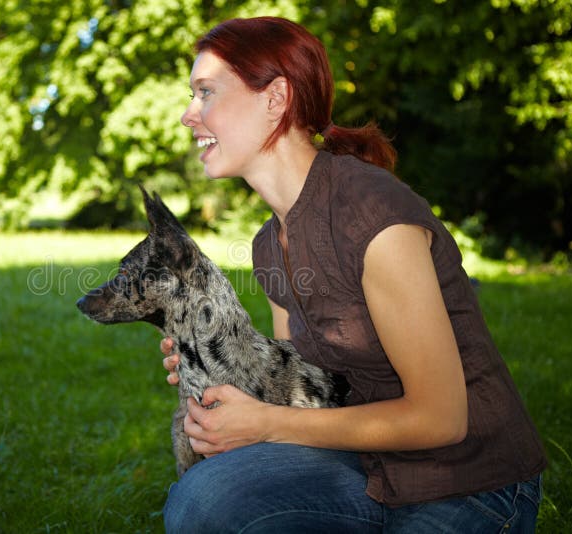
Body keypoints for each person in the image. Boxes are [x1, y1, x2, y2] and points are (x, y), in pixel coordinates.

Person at [160, 16, 546, 533]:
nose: (189, 115)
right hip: (364, 467)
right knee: (202, 500)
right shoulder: (267, 246)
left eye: (205, 92)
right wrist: (221, 368)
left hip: (471, 484)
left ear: (275, 99)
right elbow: (306, 388)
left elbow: (442, 418)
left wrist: (267, 425)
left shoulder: (371, 211)